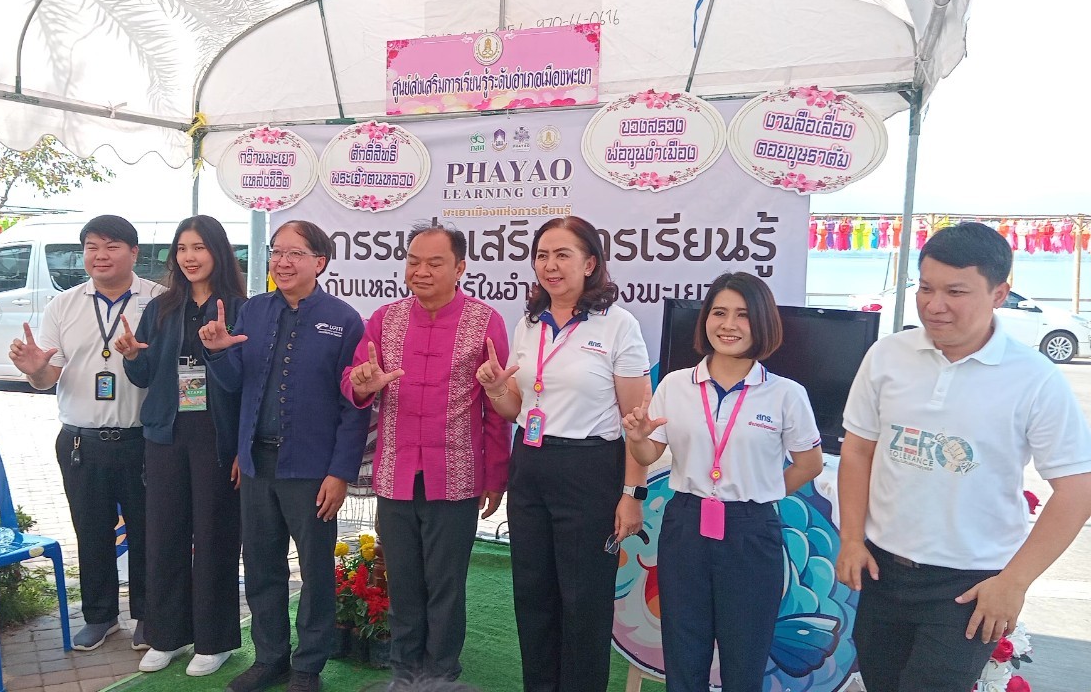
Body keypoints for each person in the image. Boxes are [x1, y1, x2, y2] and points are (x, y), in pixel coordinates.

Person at [835, 222, 1091, 692]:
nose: (934, 305)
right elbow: (858, 450)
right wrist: (851, 538)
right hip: (883, 569)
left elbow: (1077, 488)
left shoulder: (1034, 377)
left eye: (955, 291)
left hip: (970, 585)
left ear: (999, 294)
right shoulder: (887, 356)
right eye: (925, 288)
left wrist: (1014, 582)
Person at [622, 271, 824, 692]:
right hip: (685, 525)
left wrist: (763, 493)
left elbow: (809, 464)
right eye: (719, 312)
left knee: (745, 656)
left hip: (752, 531)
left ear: (763, 322)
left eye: (743, 315)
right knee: (683, 651)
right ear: (705, 320)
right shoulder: (675, 384)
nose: (728, 324)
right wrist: (637, 438)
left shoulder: (786, 394)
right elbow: (648, 455)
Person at [476, 215, 649, 692]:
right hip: (531, 465)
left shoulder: (618, 326)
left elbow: (637, 421)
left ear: (590, 263)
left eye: (562, 255)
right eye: (542, 256)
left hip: (590, 471)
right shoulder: (529, 323)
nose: (549, 266)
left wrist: (632, 493)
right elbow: (518, 408)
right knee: (532, 595)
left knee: (583, 601)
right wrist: (495, 389)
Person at [200, 220, 369, 692]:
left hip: (312, 472)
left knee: (315, 573)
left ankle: (308, 666)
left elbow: (354, 406)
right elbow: (234, 385)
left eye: (295, 254)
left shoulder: (344, 319)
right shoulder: (254, 311)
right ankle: (269, 658)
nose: (283, 262)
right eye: (277, 252)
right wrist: (218, 353)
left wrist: (340, 472)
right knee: (261, 567)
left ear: (320, 262)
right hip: (257, 466)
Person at [340, 223, 511, 683]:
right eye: (414, 261)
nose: (421, 271)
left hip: (456, 475)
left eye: (435, 263)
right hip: (396, 473)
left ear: (460, 268)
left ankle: (441, 674)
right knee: (403, 582)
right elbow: (355, 379)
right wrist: (361, 384)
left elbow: (496, 406)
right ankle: (404, 673)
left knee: (446, 586)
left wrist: (496, 476)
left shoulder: (485, 321)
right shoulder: (385, 319)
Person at [8, 214, 161, 651]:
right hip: (81, 442)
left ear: (134, 252)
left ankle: (148, 616)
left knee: (148, 531)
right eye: (92, 247)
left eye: (112, 246)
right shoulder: (63, 305)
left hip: (143, 440)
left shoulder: (159, 301)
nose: (100, 255)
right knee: (91, 531)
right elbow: (47, 378)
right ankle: (100, 616)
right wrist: (35, 370)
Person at [115, 215, 246, 676]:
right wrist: (132, 357)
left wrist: (241, 448)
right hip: (165, 435)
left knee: (214, 537)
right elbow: (145, 376)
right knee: (163, 536)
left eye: (199, 248)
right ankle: (166, 635)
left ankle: (215, 640)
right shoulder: (161, 308)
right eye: (183, 248)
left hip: (216, 437)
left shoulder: (240, 308)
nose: (189, 257)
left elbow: (247, 383)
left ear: (218, 252)